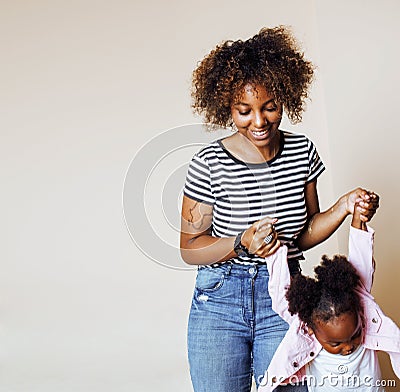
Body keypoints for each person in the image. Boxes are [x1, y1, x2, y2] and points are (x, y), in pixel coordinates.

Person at [180, 26, 379, 391]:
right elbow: (190, 247)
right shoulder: (208, 163)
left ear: (285, 97)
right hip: (220, 299)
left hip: (286, 296)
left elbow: (303, 234)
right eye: (245, 111)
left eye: (270, 107)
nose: (259, 121)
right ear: (227, 107)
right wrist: (241, 242)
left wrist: (344, 206)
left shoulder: (301, 151)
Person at [259, 192, 400, 392]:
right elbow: (280, 293)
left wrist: (358, 218)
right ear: (309, 329)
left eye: (355, 335)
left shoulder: (360, 304)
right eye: (336, 343)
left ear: (360, 316)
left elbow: (362, 262)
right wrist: (273, 251)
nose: (348, 346)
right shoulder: (304, 328)